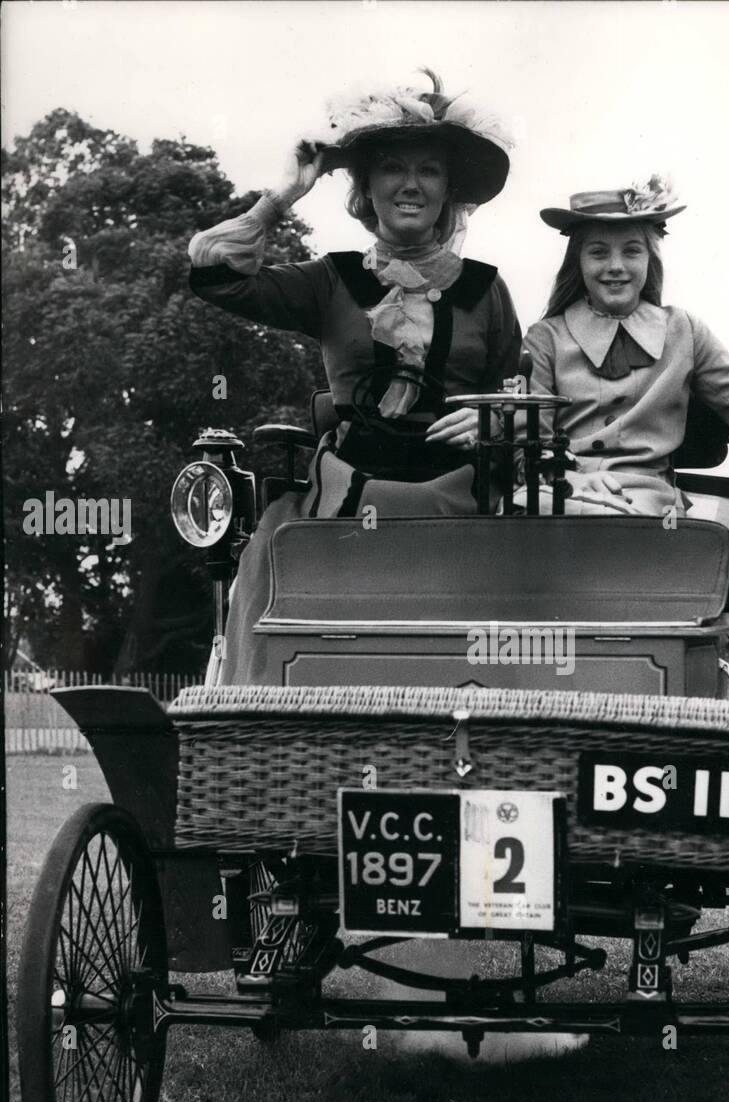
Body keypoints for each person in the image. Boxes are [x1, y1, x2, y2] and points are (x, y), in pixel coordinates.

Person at [187, 70, 520, 682]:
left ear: (450, 190)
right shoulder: (330, 280)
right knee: (273, 569)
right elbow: (216, 275)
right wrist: (284, 194)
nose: (412, 185)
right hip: (345, 499)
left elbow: (516, 396)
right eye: (392, 167)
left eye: (430, 170)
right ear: (367, 185)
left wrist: (489, 418)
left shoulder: (487, 289)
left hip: (461, 501)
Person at [520, 176, 729, 518]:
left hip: (646, 500)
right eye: (598, 252)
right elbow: (528, 444)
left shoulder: (684, 331)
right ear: (579, 262)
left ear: (650, 259)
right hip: (559, 492)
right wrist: (570, 479)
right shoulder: (546, 338)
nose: (615, 266)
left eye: (632, 251)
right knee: (523, 509)